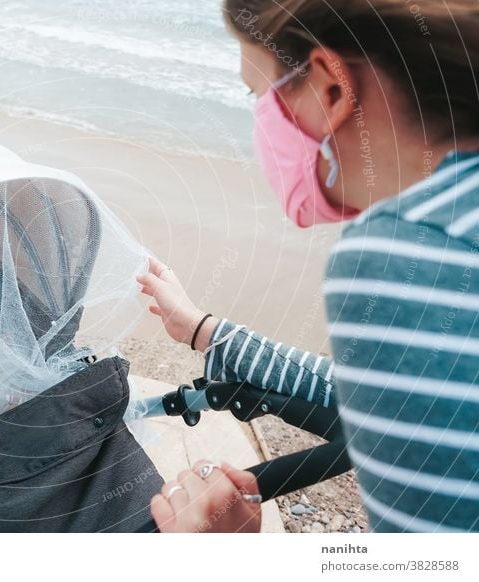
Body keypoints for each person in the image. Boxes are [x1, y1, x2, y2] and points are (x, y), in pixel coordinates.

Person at [140, 0, 479, 533]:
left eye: (260, 96)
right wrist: (207, 332)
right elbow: (396, 395)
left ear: (331, 88)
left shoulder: (406, 253)